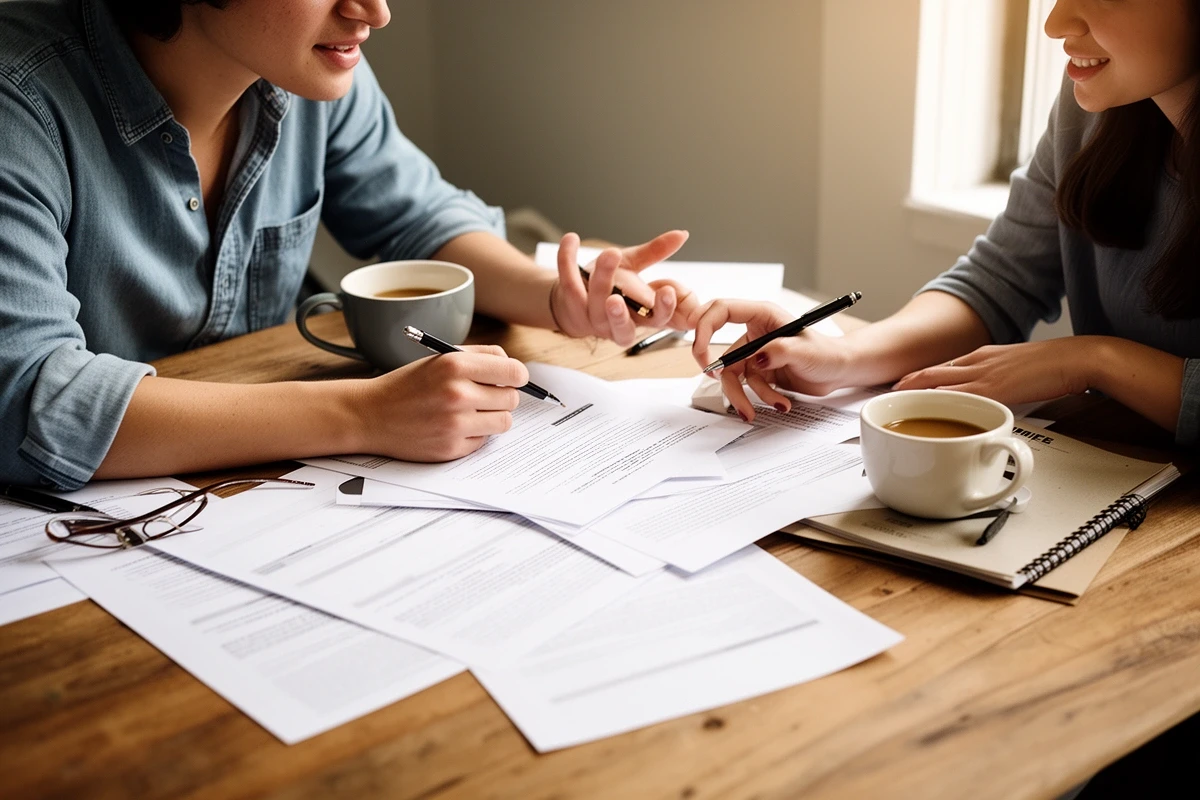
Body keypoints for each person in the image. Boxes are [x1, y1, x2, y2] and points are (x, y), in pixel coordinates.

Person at [0, 0, 700, 490]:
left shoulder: (306, 68)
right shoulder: (19, 103)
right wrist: (365, 414)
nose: (376, 11)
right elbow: (27, 401)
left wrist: (553, 294)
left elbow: (420, 219)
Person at [692, 0, 1199, 446]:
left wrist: (1094, 361)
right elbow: (998, 284)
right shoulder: (1093, 110)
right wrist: (842, 358)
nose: (1054, 23)